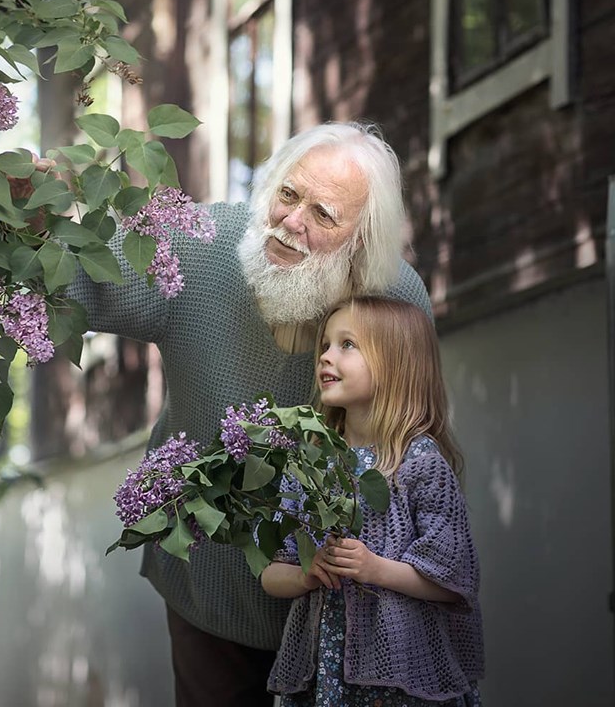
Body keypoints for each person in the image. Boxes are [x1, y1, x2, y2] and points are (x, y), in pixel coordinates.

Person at [23, 121, 433, 706]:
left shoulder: (397, 304)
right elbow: (79, 283)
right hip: (208, 584)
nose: (291, 222)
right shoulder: (201, 246)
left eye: (323, 214)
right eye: (288, 194)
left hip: (340, 604)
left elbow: (417, 454)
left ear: (362, 241)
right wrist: (35, 224)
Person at [261, 297, 484, 706]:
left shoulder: (419, 462)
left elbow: (454, 582)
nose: (326, 356)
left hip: (403, 680)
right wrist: (307, 574)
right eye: (325, 345)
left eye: (347, 344)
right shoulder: (311, 464)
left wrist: (374, 568)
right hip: (325, 680)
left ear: (395, 363)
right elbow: (271, 572)